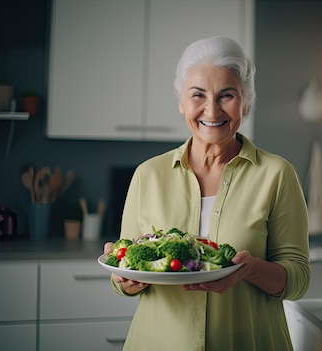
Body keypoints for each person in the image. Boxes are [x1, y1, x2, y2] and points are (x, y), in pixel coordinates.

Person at [103, 36, 310, 351]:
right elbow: (126, 271)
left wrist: (250, 269)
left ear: (246, 101)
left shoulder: (277, 174)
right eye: (197, 95)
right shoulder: (149, 175)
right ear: (181, 102)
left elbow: (298, 280)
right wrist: (124, 281)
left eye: (227, 95)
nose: (211, 110)